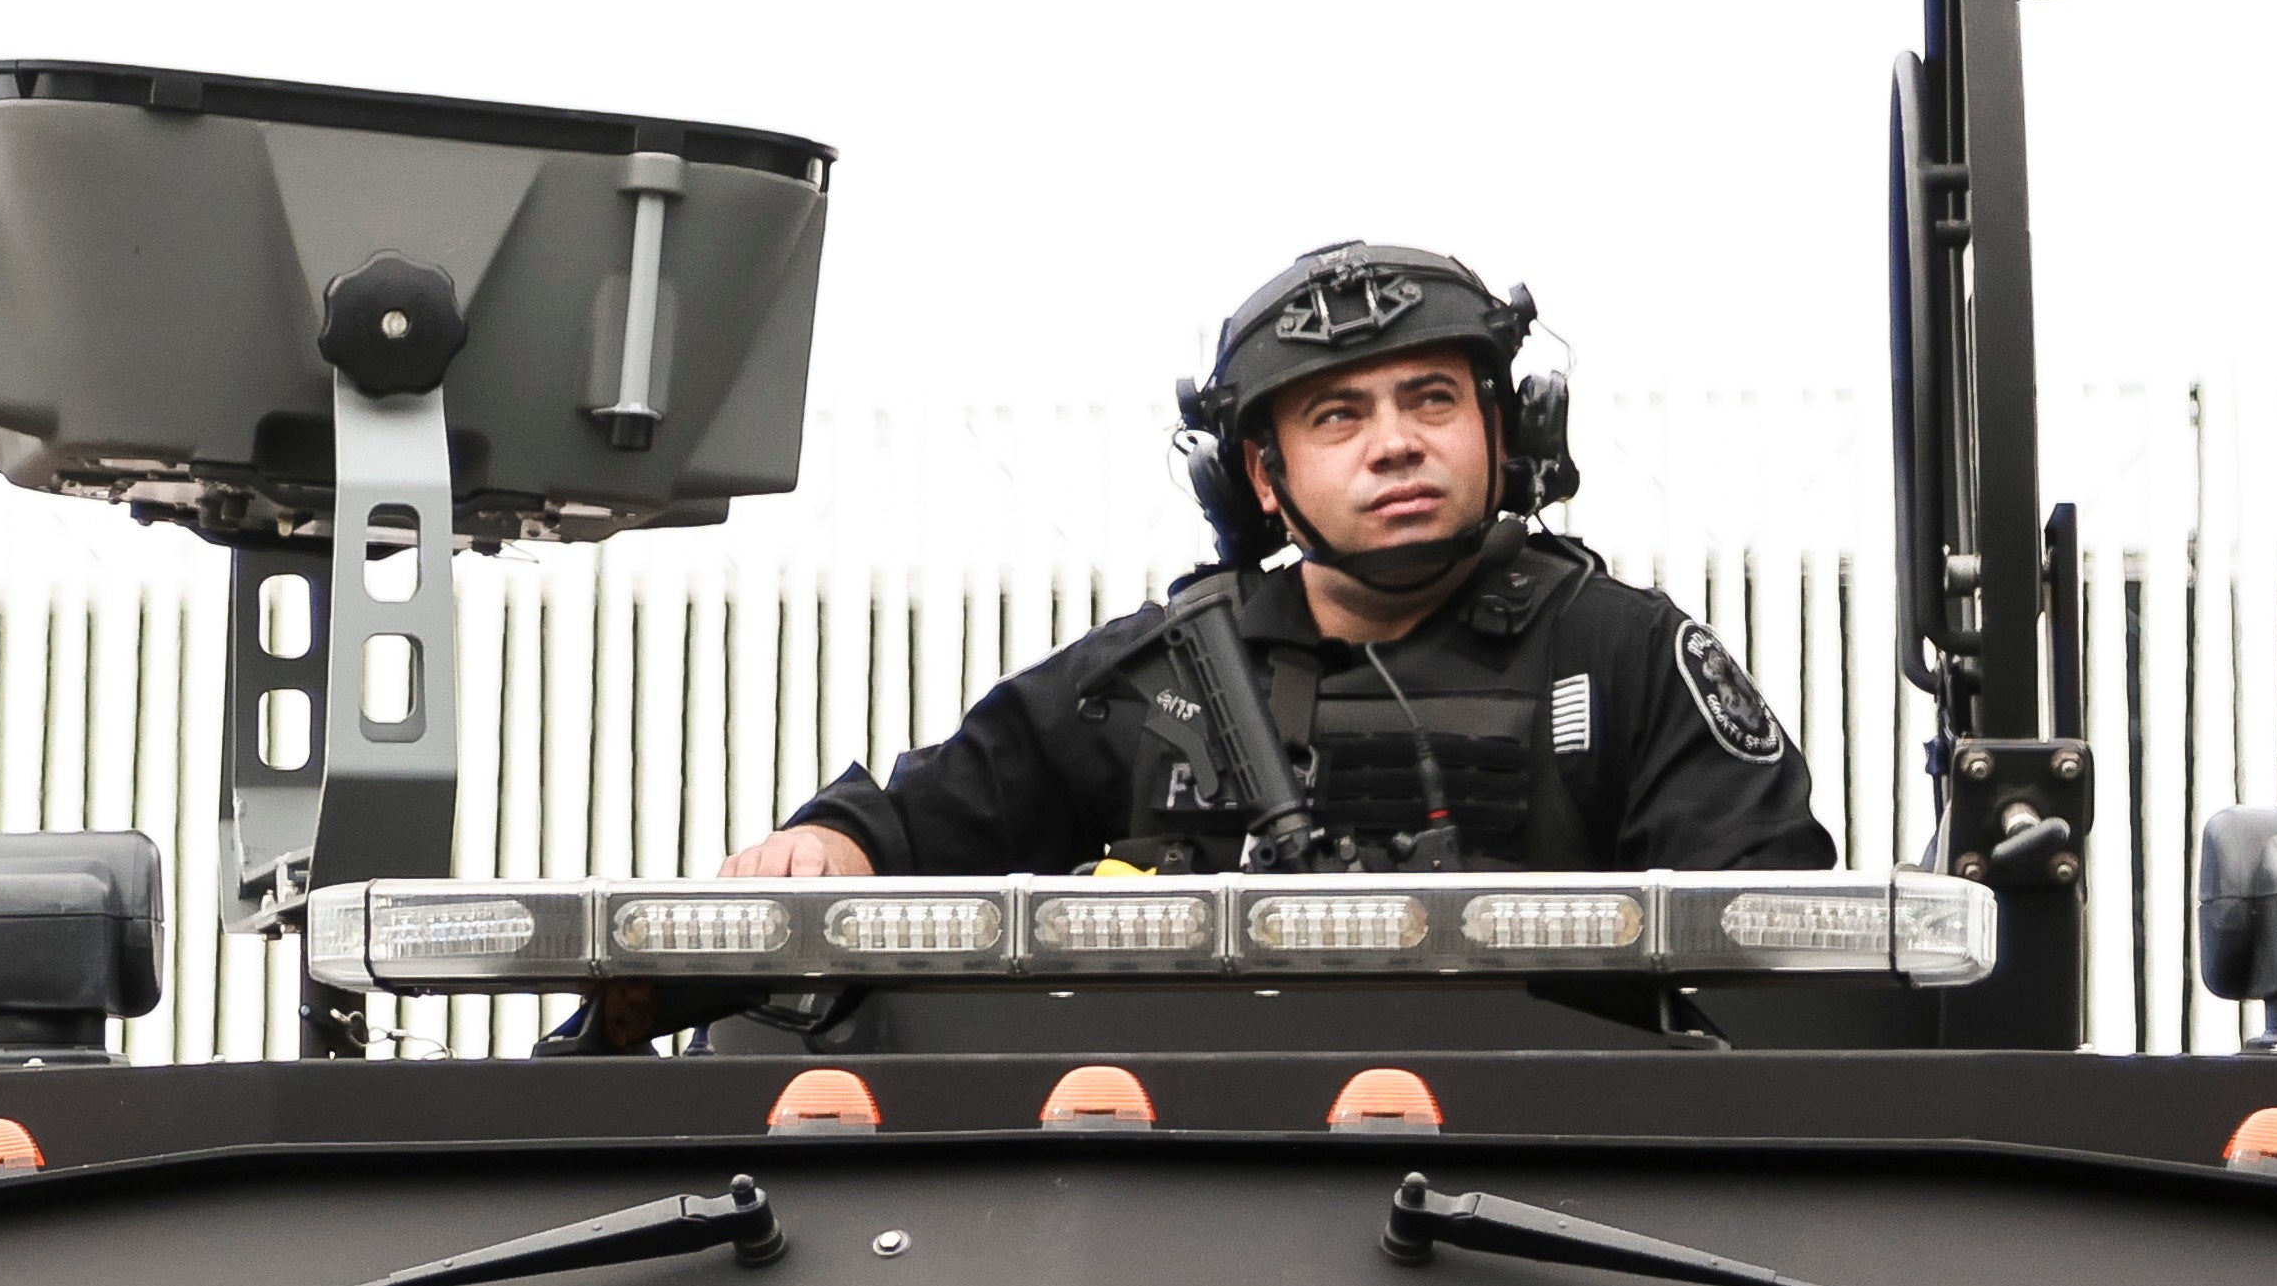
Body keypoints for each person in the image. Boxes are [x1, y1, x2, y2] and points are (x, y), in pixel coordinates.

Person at [719, 246, 1838, 890]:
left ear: (1510, 431)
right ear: (1260, 479)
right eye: (1337, 417)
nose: (1393, 443)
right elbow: (924, 823)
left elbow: (1767, 930)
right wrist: (830, 844)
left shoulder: (1626, 656)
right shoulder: (1160, 677)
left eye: (1431, 400)